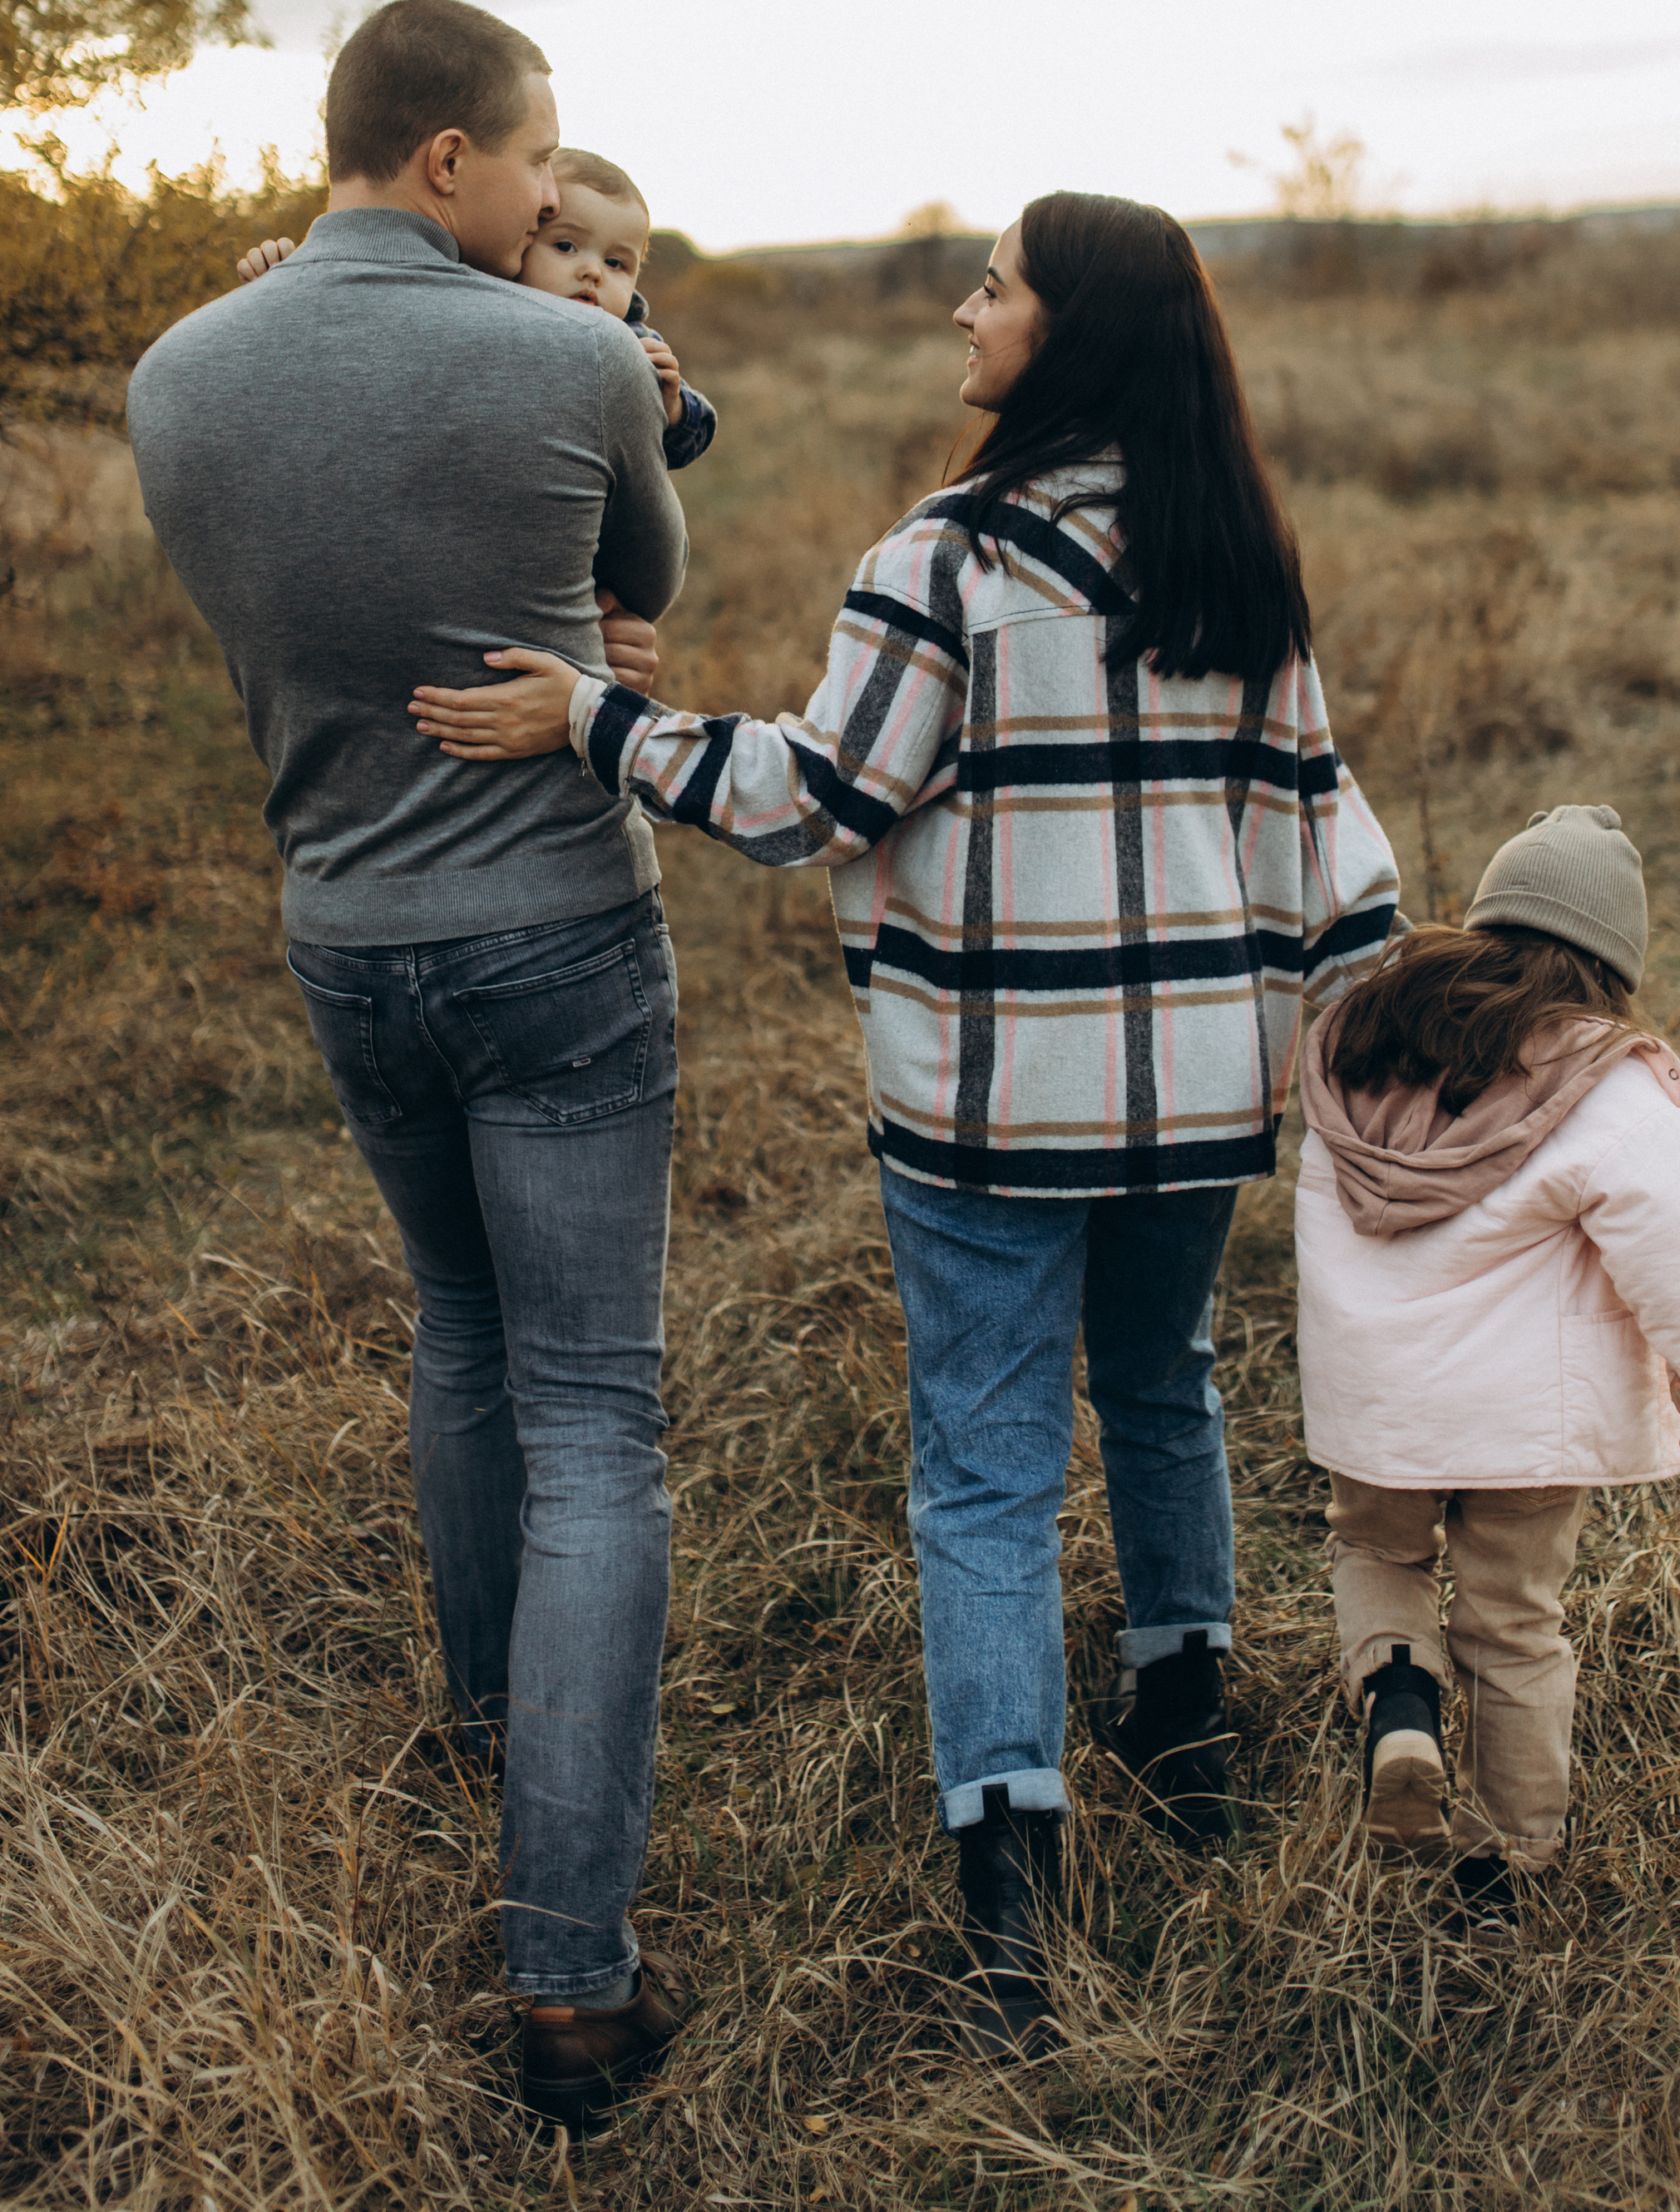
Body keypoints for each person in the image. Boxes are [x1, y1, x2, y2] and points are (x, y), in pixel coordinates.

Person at [404, 190, 1403, 2056]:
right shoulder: (1233, 554)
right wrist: (1363, 1012)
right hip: (1194, 1098)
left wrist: (598, 720)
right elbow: (1316, 822)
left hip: (988, 1108)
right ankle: (1184, 1740)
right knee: (1168, 1382)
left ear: (1066, 334)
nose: (965, 305)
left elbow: (815, 799)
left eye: (997, 285)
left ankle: (1007, 1871)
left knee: (983, 1469)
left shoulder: (942, 561)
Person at [126, 0, 694, 2131]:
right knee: (596, 1414)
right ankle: (570, 1971)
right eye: (538, 159)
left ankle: (496, 1729)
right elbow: (642, 593)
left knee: (460, 1337)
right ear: (449, 153)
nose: (558, 196)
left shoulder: (178, 374)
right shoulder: (562, 353)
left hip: (342, 937)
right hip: (552, 924)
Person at [1292, 804, 1680, 1947]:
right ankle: (1504, 1866)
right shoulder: (1606, 1082)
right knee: (1513, 1624)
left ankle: (1400, 1703)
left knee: (1377, 1550)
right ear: (1611, 963)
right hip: (1525, 1425)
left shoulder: (1367, 1038)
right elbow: (1674, 1242)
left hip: (1379, 1406)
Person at [237, 141, 718, 473]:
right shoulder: (470, 301)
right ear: (526, 239)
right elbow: (359, 343)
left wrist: (671, 409)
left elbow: (683, 444)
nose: (593, 272)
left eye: (617, 263)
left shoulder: (634, 343)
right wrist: (286, 289)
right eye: (566, 247)